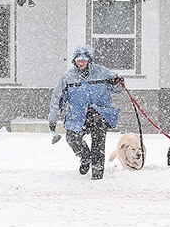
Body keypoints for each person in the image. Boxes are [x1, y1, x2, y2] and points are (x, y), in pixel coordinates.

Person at [48, 45, 123, 180]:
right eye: (78, 59)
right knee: (72, 137)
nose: (81, 62)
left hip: (99, 112)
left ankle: (97, 171)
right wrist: (53, 118)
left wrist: (118, 81)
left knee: (98, 141)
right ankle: (85, 157)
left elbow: (117, 88)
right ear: (74, 60)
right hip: (77, 115)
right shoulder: (68, 77)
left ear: (89, 59)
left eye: (84, 59)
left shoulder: (102, 72)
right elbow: (57, 99)